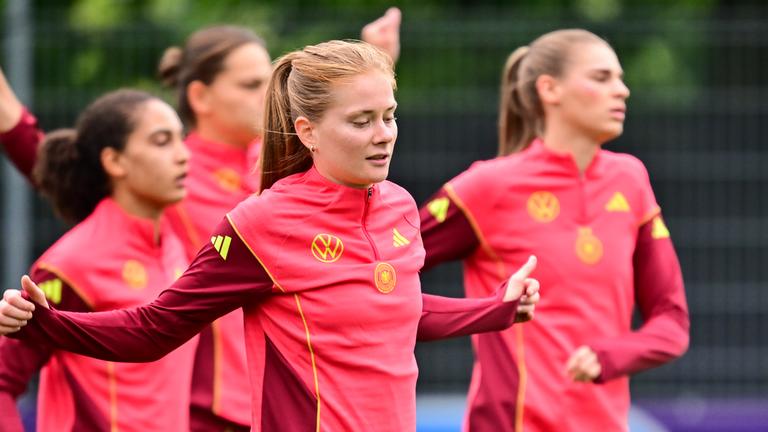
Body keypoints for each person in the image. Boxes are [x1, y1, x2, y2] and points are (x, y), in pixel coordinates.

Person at [0, 40, 540, 432]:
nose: (384, 136)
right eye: (361, 121)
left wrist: (498, 307)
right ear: (307, 131)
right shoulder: (262, 222)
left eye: (389, 116)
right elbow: (155, 327)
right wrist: (47, 323)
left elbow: (398, 310)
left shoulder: (398, 206)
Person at [419, 29, 690, 431]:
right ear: (550, 89)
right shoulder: (487, 186)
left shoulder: (631, 180)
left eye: (620, 77)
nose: (623, 90)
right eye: (602, 78)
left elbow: (672, 323)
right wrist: (477, 313)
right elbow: (382, 269)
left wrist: (611, 354)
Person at [0, 89, 196, 432]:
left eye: (182, 138)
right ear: (114, 161)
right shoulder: (73, 263)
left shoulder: (176, 245)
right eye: (161, 141)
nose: (183, 155)